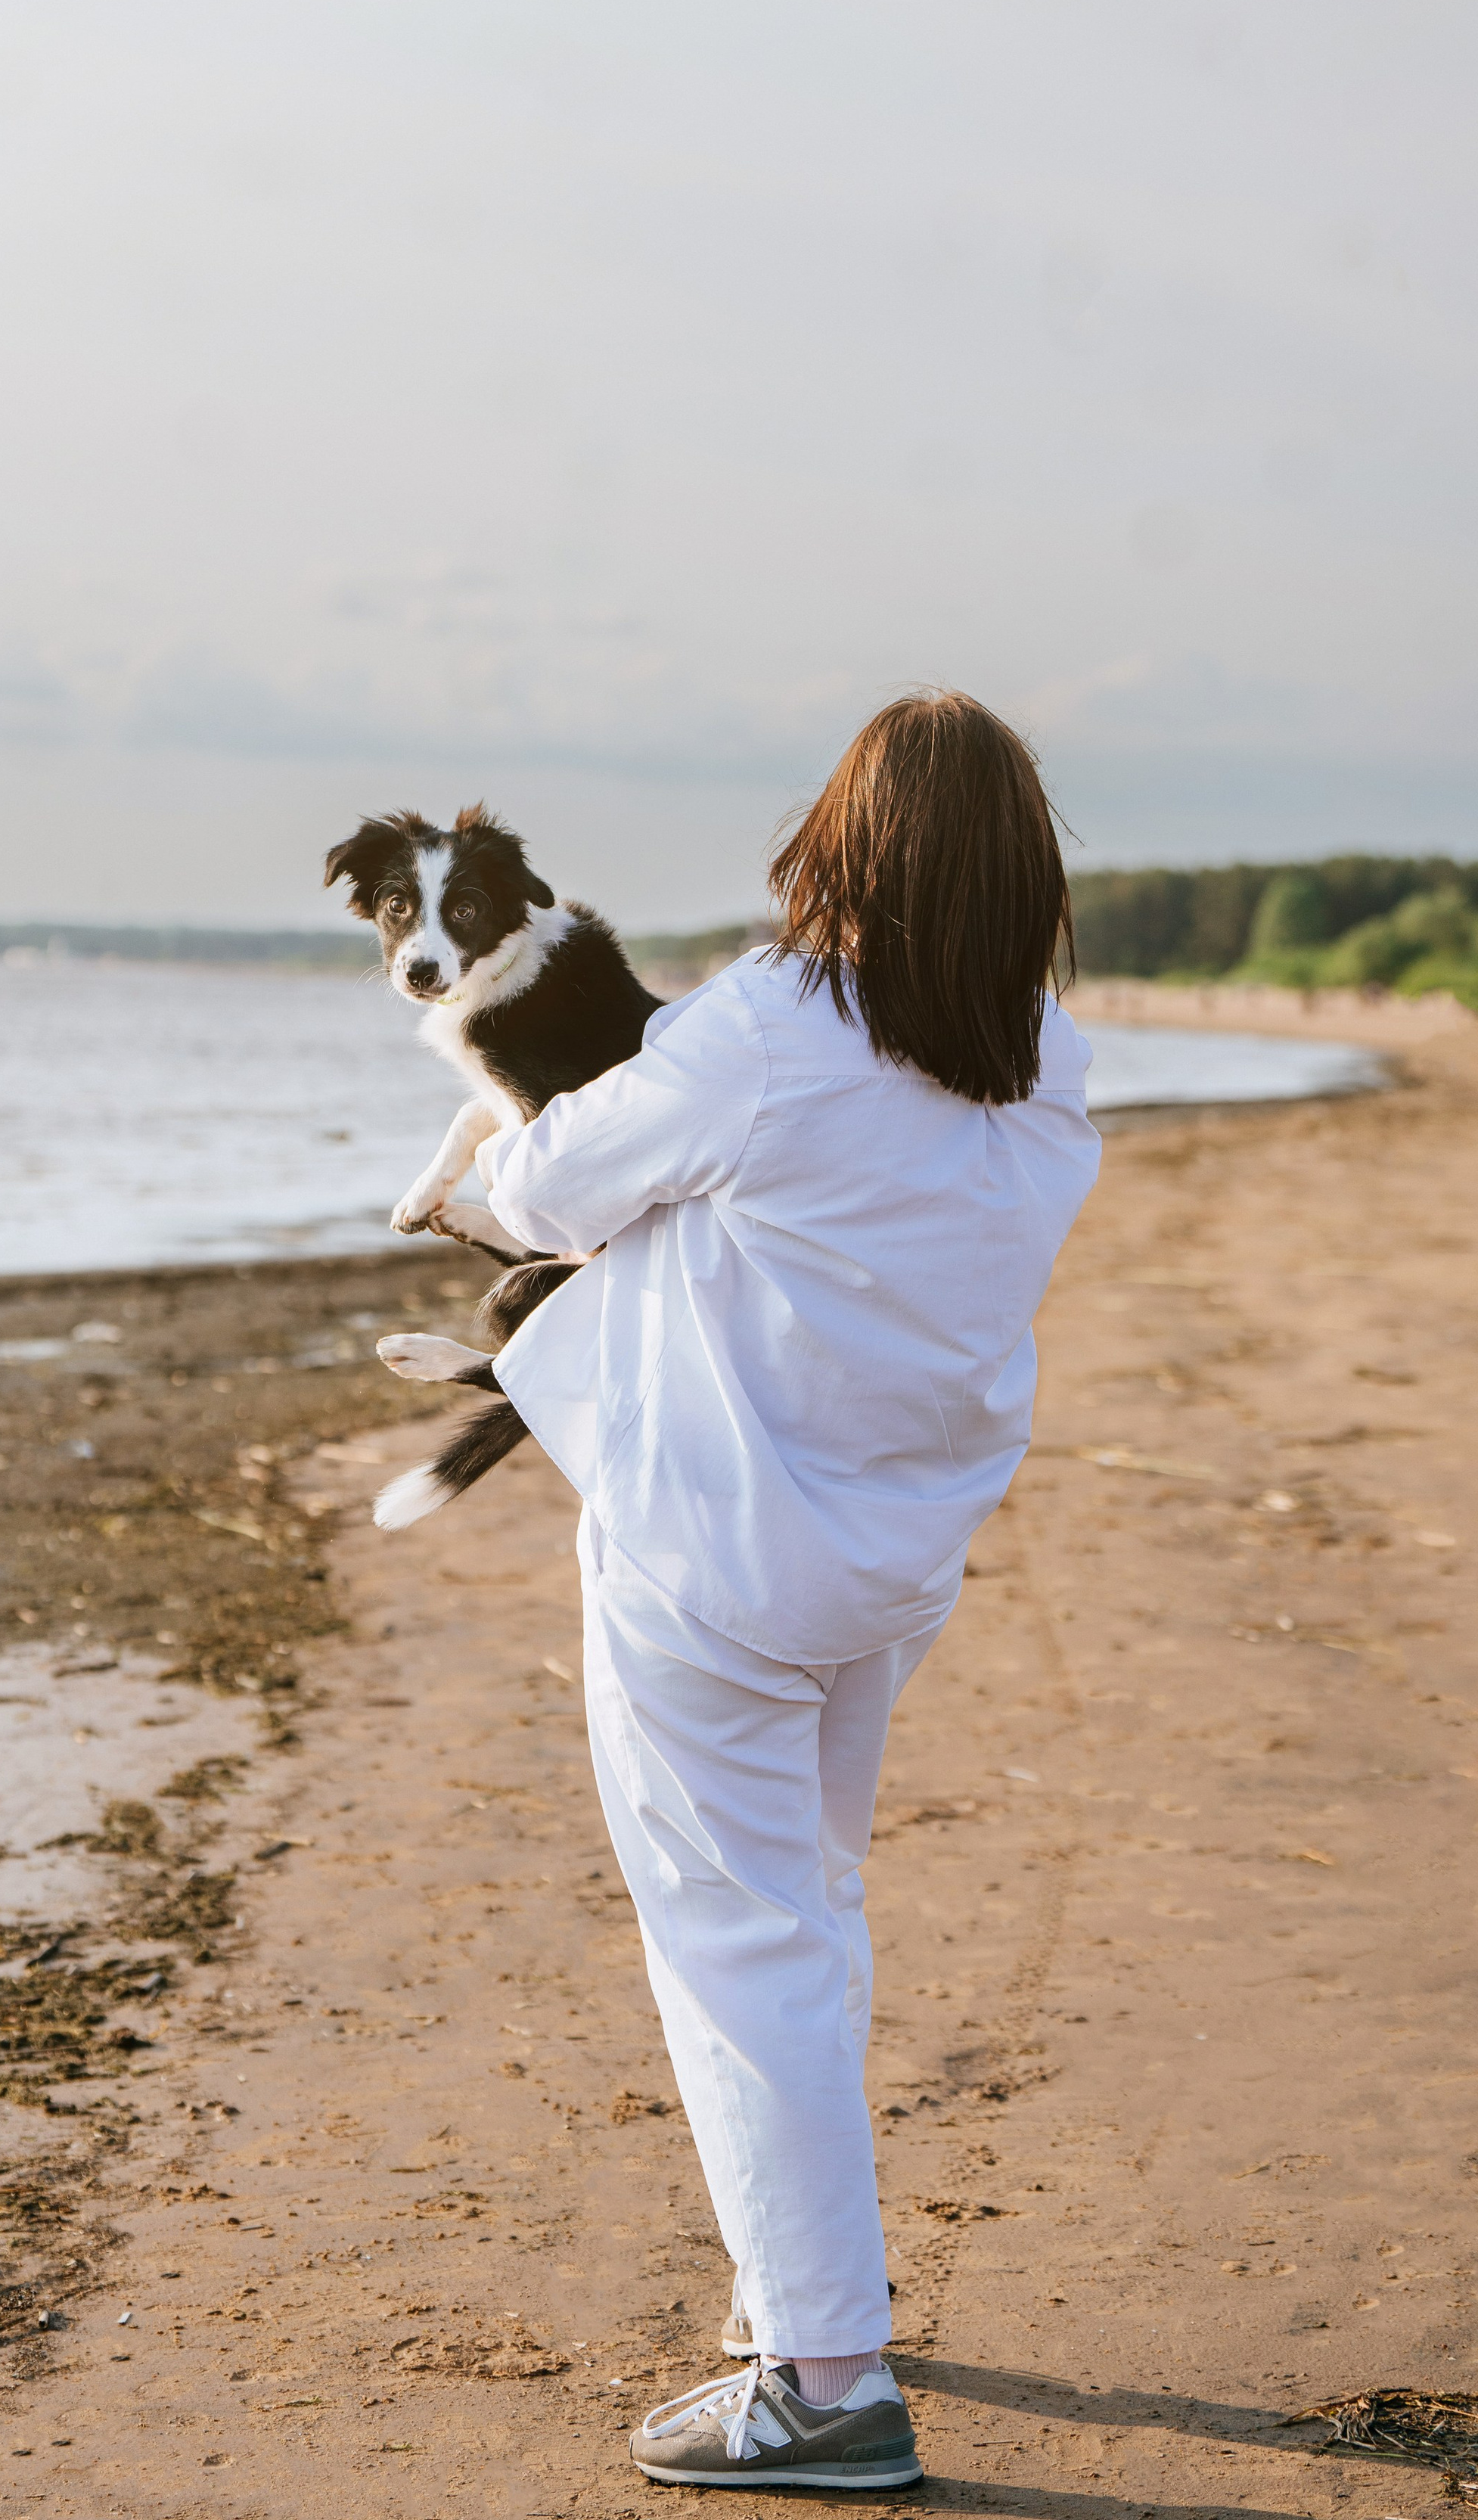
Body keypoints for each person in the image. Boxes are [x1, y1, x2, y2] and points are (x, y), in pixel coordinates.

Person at [476, 689, 1101, 2490]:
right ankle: (798, 2290)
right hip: (885, 1564)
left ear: (843, 849)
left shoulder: (768, 1024)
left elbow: (536, 1189)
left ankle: (827, 2377)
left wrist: (550, 1177)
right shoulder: (1043, 1058)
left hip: (713, 1564)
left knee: (742, 1941)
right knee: (802, 1915)